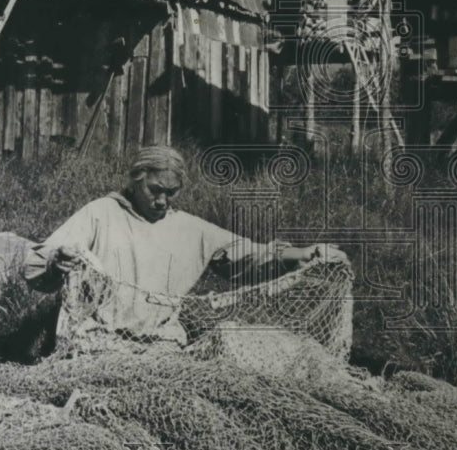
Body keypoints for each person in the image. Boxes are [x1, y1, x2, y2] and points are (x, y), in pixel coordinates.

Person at [24, 146, 346, 348]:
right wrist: (57, 262)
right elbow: (37, 263)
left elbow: (248, 255)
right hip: (99, 342)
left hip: (161, 345)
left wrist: (303, 254)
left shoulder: (189, 228)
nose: (162, 201)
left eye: (171, 193)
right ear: (136, 180)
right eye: (155, 190)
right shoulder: (100, 214)